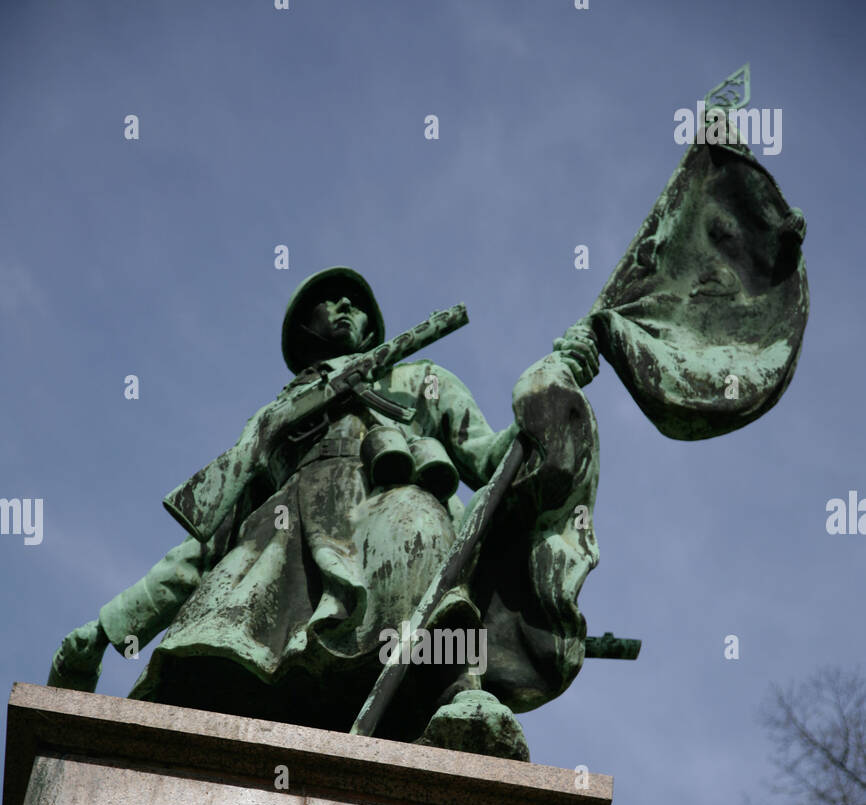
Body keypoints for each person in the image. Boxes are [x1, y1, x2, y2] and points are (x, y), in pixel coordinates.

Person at [49, 267, 601, 759]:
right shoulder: (275, 418)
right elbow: (201, 546)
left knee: (418, 523)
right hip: (280, 536)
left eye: (356, 302)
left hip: (388, 510)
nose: (346, 308)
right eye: (331, 299)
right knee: (212, 635)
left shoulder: (418, 380)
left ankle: (455, 693)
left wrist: (553, 384)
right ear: (303, 326)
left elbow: (493, 458)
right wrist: (107, 629)